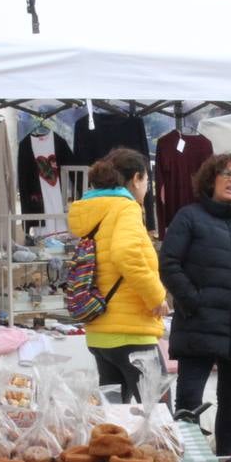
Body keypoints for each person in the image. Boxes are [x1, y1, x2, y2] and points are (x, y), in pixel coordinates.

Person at [159, 152, 231, 460]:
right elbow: (169, 263)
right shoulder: (189, 217)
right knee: (189, 398)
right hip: (199, 323)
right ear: (210, 179)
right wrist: (193, 300)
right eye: (225, 174)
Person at [67, 147, 167, 402]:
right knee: (158, 417)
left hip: (100, 331)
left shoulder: (94, 210)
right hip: (131, 331)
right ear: (136, 178)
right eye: (147, 180)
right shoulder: (126, 208)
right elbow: (126, 255)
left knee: (114, 419)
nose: (147, 187)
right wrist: (156, 296)